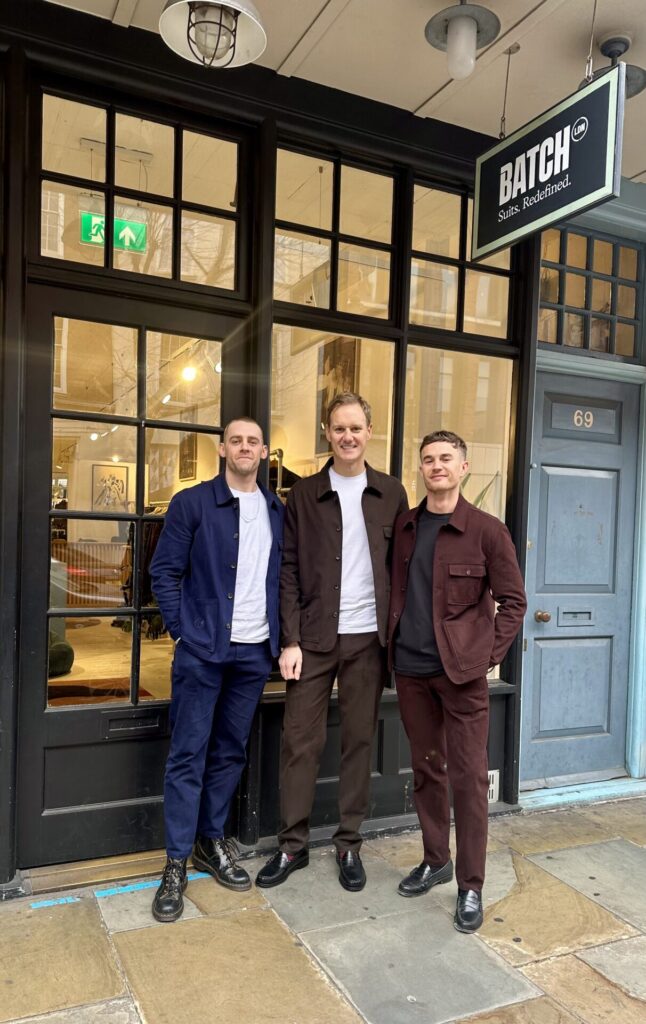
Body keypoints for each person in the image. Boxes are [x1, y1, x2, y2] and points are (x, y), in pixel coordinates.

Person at [256, 393, 408, 893]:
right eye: (339, 428)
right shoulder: (303, 494)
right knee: (301, 741)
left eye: (356, 428)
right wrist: (291, 639)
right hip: (315, 639)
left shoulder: (392, 492)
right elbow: (288, 571)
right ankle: (292, 846)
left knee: (358, 741)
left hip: (369, 640)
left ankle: (348, 843)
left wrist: (397, 636)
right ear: (327, 432)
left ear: (370, 432)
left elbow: (401, 571)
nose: (347, 437)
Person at [389, 430, 526, 932]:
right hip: (410, 671)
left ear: (463, 467)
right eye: (428, 460)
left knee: (470, 780)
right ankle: (435, 859)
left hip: (462, 678)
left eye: (446, 459)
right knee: (428, 771)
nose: (437, 466)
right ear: (421, 469)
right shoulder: (405, 526)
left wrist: (487, 656)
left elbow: (514, 602)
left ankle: (471, 885)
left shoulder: (488, 531)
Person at [149, 417, 284, 922]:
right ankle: (176, 862)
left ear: (264, 451)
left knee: (229, 752)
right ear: (222, 448)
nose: (245, 447)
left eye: (253, 441)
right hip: (202, 651)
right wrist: (184, 631)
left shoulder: (276, 509)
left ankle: (212, 841)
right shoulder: (192, 504)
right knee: (188, 755)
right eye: (237, 440)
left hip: (253, 654)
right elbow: (163, 571)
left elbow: (281, 578)